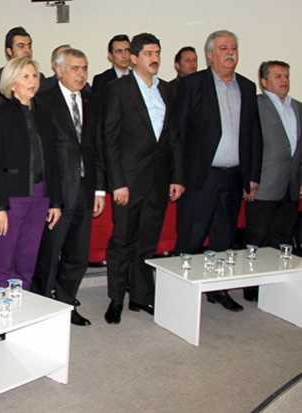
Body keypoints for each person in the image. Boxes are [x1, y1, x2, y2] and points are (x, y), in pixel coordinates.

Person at [174, 30, 263, 312]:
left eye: (233, 47)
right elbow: (178, 133)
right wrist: (177, 176)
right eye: (223, 48)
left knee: (224, 238)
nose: (230, 52)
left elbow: (253, 135)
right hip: (201, 176)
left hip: (234, 176)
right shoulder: (193, 84)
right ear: (210, 55)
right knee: (191, 236)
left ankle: (218, 290)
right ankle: (179, 293)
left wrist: (252, 176)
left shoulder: (247, 87)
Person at [102, 33, 184, 324]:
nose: (154, 58)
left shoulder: (166, 90)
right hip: (129, 180)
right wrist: (117, 182)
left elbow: (173, 137)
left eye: (157, 52)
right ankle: (116, 299)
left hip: (159, 179)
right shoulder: (118, 89)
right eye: (148, 53)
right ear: (134, 58)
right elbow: (109, 140)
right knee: (122, 240)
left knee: (148, 241)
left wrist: (177, 177)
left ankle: (141, 296)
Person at [30, 49, 106, 326]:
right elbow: (42, 154)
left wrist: (99, 189)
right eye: (75, 68)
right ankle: (41, 308)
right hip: (57, 192)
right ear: (58, 70)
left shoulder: (93, 101)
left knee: (78, 255)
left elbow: (97, 148)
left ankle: (65, 303)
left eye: (84, 68)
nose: (81, 74)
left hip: (86, 190)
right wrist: (51, 196)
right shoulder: (43, 101)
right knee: (49, 254)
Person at [0, 57, 62, 290]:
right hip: (12, 197)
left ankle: (22, 302)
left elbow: (53, 160)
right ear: (12, 84)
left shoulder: (45, 114)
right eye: (25, 76)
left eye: (34, 76)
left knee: (28, 257)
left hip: (41, 195)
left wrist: (55, 202)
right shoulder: (0, 115)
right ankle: (1, 305)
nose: (32, 81)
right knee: (6, 258)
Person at [244, 60, 302, 302]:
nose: (284, 80)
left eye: (286, 75)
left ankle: (275, 287)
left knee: (282, 238)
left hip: (290, 184)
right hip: (263, 183)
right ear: (264, 81)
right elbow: (247, 144)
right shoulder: (255, 105)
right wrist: (249, 179)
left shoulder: (297, 107)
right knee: (257, 238)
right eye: (278, 76)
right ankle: (252, 287)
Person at [0, 26, 46, 119]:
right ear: (9, 51)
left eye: (29, 46)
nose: (27, 51)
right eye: (21, 46)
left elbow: (44, 110)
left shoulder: (39, 77)